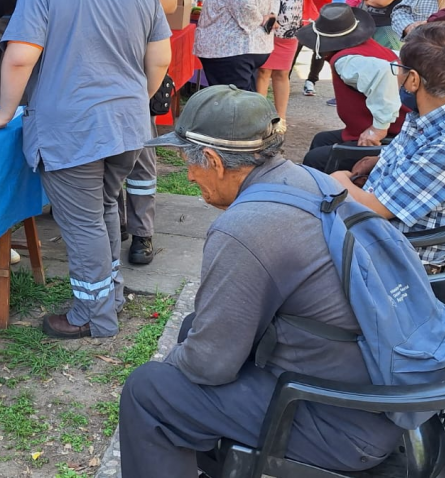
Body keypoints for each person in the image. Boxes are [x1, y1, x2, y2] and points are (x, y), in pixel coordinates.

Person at [118, 86, 407, 477]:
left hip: (341, 424)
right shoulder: (308, 180)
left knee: (149, 391)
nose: (189, 176)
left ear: (214, 160)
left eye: (190, 164)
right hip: (377, 392)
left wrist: (174, 367)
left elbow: (210, 365)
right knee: (191, 332)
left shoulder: (245, 228)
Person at [0, 0, 172, 338]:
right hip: (127, 124)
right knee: (105, 207)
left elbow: (21, 55)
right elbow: (160, 58)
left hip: (70, 127)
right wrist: (134, 98)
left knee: (85, 219)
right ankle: (110, 293)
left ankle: (94, 315)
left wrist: (4, 111)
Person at [331, 20, 445, 273]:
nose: (396, 75)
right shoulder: (440, 113)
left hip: (394, 257)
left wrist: (335, 179)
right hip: (384, 231)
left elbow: (371, 208)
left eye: (399, 68)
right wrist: (379, 161)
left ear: (413, 80)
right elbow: (416, 157)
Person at [75, 0, 178, 266]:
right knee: (97, 152)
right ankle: (110, 224)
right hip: (88, 64)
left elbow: (169, 1)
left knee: (141, 154)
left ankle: (142, 233)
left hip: (138, 64)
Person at [297, 4, 407, 173]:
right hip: (389, 126)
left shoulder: (346, 60)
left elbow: (385, 73)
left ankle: (327, 193)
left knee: (315, 159)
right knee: (322, 140)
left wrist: (378, 128)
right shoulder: (366, 46)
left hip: (393, 132)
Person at [260, 0, 323, 132]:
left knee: (282, 73)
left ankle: (280, 118)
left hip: (292, 30)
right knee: (263, 72)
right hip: (269, 30)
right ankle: (259, 118)